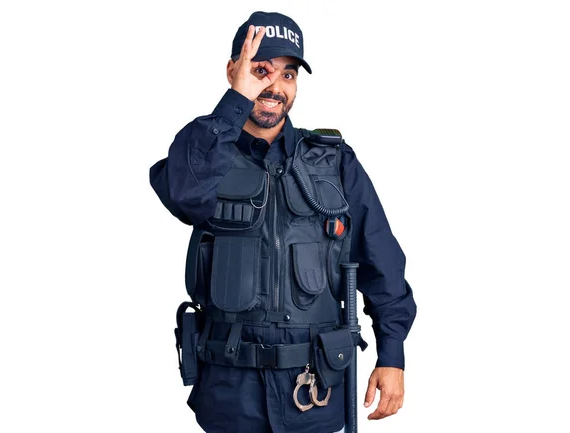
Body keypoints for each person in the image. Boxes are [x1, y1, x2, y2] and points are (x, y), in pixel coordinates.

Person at [149, 11, 417, 433]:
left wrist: (392, 354)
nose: (274, 87)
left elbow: (380, 258)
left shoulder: (335, 162)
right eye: (260, 71)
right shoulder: (204, 151)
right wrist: (233, 105)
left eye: (288, 75)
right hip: (230, 392)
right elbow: (183, 195)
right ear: (233, 72)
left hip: (316, 391)